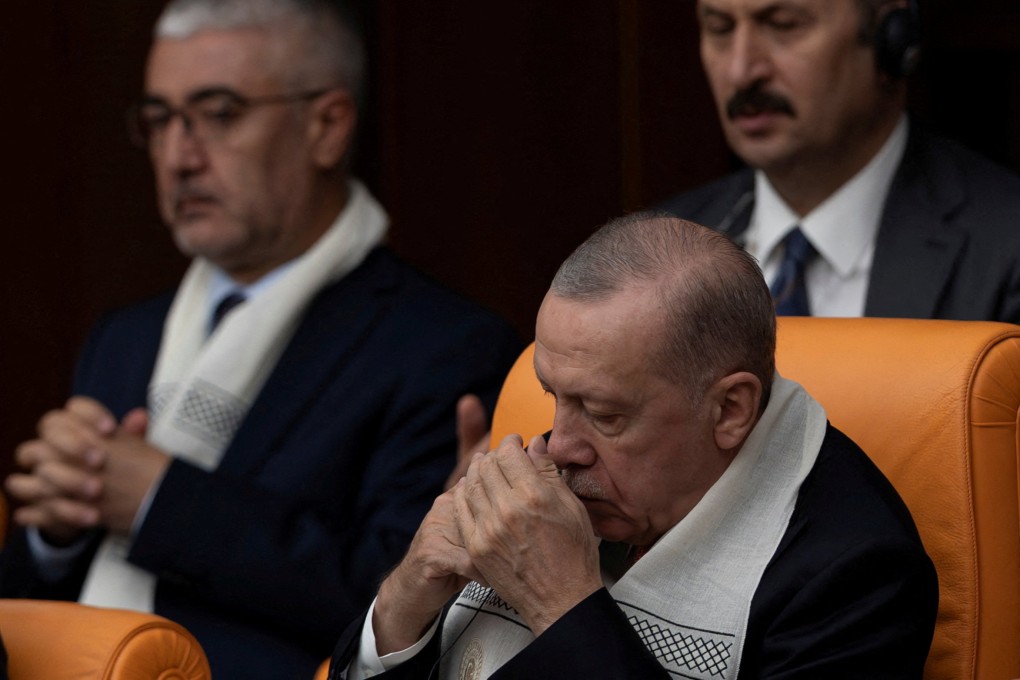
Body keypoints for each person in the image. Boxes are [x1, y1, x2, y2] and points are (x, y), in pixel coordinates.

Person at [0, 1, 521, 678]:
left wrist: (161, 502)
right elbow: (25, 603)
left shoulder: (443, 346)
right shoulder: (123, 338)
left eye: (218, 114)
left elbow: (407, 597)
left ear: (327, 128)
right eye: (160, 120)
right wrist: (56, 532)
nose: (180, 157)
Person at [328, 213, 938, 679]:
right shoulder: (548, 478)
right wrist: (406, 598)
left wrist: (562, 602)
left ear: (730, 409)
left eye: (605, 414)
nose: (561, 447)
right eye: (554, 397)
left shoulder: (857, 575)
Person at [659, 0, 1020, 321]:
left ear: (893, 40)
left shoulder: (1005, 251)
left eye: (784, 24)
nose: (741, 71)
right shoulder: (660, 253)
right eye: (720, 28)